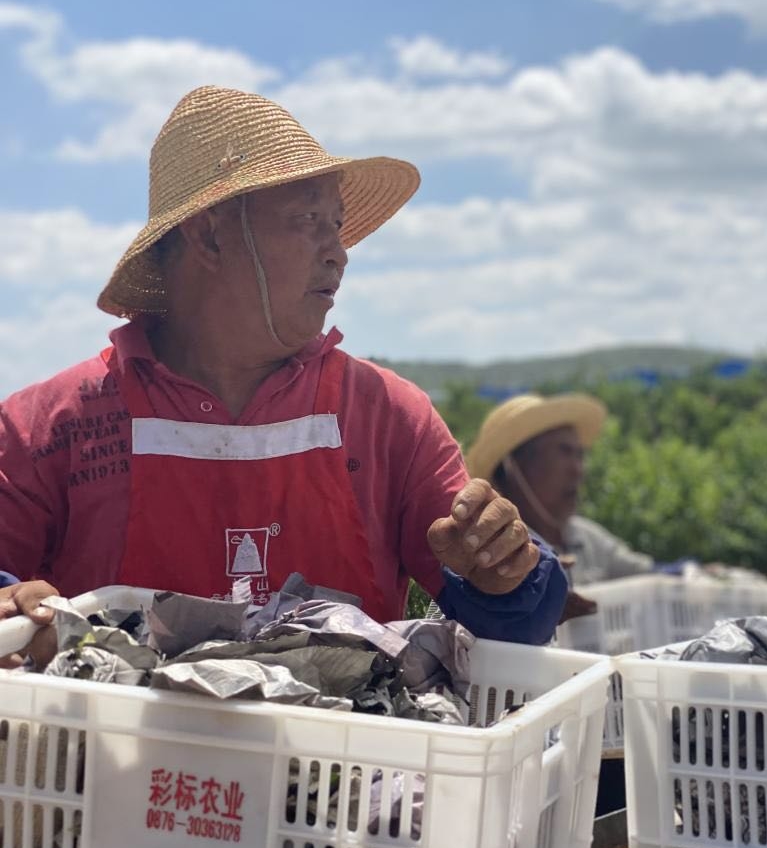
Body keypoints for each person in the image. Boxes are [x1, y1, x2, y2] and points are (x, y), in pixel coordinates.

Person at [0, 86, 567, 667]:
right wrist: (14, 606)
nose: (338, 252)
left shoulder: (388, 418)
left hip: (340, 758)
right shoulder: (50, 425)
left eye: (339, 224)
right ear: (211, 233)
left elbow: (518, 624)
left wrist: (504, 571)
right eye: (309, 219)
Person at [465, 393, 656, 590]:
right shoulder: (493, 553)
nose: (578, 470)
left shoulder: (586, 537)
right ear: (515, 469)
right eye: (564, 452)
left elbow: (650, 573)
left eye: (579, 455)